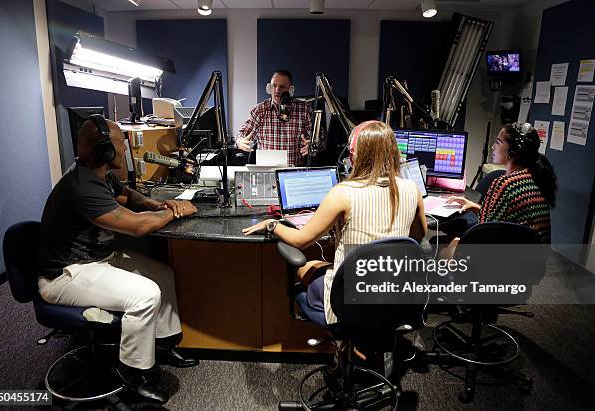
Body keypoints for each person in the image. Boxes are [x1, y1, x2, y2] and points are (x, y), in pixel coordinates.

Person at [37, 116, 197, 404]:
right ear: (105, 152)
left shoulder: (101, 174)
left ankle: (162, 343)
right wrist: (175, 211)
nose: (125, 149)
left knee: (162, 274)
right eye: (120, 144)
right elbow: (137, 226)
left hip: (96, 260)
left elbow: (126, 195)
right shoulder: (82, 186)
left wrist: (156, 205)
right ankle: (133, 373)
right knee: (146, 295)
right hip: (65, 275)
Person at [243, 120, 427, 325]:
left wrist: (273, 225)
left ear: (354, 154)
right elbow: (418, 236)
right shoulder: (413, 189)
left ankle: (344, 341)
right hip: (394, 294)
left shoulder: (343, 193)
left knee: (306, 267)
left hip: (350, 301)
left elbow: (300, 241)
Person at [446, 122, 557, 244]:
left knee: (442, 243)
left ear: (513, 150)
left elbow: (482, 234)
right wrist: (474, 206)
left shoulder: (505, 184)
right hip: (533, 259)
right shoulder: (537, 177)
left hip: (505, 258)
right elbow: (506, 223)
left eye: (498, 142)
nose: (493, 147)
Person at [235, 70, 312, 167]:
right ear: (269, 88)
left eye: (282, 87)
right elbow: (242, 133)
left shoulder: (304, 110)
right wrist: (240, 141)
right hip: (266, 172)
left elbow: (319, 140)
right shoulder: (260, 110)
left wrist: (312, 145)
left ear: (290, 89)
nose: (277, 90)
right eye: (274, 86)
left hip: (292, 172)